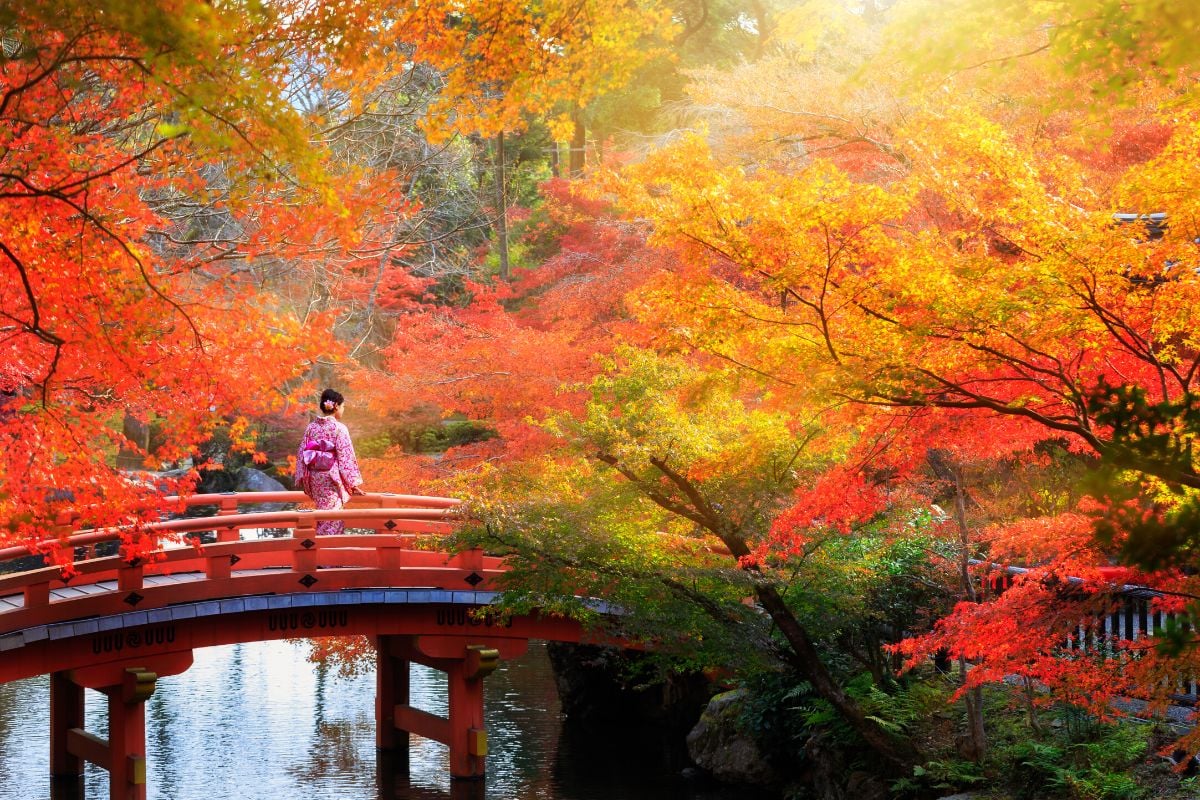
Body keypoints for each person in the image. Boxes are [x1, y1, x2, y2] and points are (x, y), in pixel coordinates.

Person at [295, 388, 364, 535]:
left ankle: (325, 551)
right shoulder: (339, 428)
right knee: (333, 517)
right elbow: (346, 457)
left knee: (323, 515)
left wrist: (302, 477)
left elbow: (302, 453)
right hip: (331, 479)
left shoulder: (311, 427)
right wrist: (353, 483)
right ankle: (328, 553)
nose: (343, 410)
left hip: (315, 478)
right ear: (337, 406)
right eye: (343, 407)